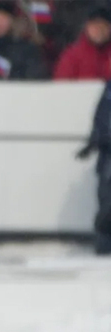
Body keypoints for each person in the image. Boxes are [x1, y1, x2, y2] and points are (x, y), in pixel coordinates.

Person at [77, 80, 111, 254]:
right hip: (107, 157)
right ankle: (104, 246)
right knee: (106, 204)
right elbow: (100, 119)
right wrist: (92, 143)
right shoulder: (109, 89)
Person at [54, 6, 111, 81]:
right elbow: (61, 86)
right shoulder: (71, 56)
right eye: (95, 26)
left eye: (104, 26)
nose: (99, 31)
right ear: (86, 28)